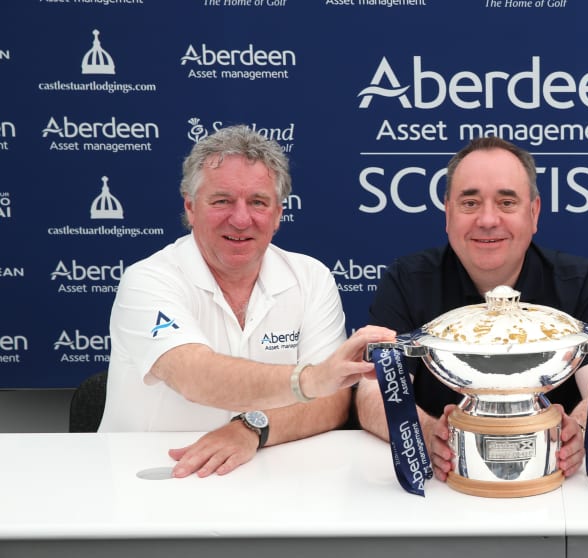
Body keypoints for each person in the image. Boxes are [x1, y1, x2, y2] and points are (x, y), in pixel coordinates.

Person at [98, 125, 393, 477]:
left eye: (257, 202)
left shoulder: (311, 277)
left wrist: (252, 428)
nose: (240, 219)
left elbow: (331, 400)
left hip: (271, 477)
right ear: (191, 208)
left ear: (278, 214)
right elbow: (193, 375)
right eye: (222, 201)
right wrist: (311, 380)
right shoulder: (148, 280)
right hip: (155, 476)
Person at [355, 136, 588, 481]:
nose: (488, 219)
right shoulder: (407, 281)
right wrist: (429, 434)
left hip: (557, 486)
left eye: (507, 202)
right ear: (448, 213)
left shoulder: (581, 282)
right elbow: (373, 393)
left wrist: (579, 432)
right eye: (470, 203)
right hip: (443, 487)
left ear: (534, 212)